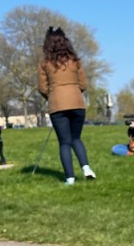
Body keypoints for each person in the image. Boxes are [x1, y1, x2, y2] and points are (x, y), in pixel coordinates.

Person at [38, 26, 96, 185]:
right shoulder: (75, 61)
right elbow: (83, 84)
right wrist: (75, 92)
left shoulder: (45, 63)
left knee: (64, 142)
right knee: (76, 138)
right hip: (77, 103)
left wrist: (51, 96)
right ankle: (86, 168)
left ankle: (70, 178)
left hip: (57, 105)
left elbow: (42, 87)